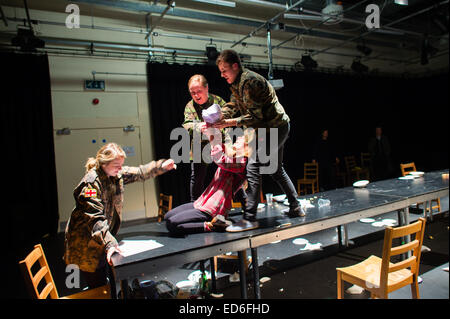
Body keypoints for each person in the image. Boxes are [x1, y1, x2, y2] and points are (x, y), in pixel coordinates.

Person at [213, 49, 303, 232]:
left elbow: (256, 117)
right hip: (270, 127)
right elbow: (234, 105)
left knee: (254, 166)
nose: (222, 75)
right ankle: (296, 207)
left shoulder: (249, 82)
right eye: (220, 71)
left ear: (235, 66)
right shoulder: (237, 83)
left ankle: (250, 218)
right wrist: (219, 116)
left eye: (224, 70)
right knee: (276, 169)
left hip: (274, 127)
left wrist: (228, 123)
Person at [64, 143, 176, 289]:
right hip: (86, 242)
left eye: (121, 165)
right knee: (99, 286)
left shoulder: (115, 174)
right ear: (104, 164)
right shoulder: (90, 184)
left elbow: (140, 172)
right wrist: (110, 243)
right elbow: (94, 218)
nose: (120, 169)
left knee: (109, 279)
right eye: (116, 165)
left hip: (102, 238)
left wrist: (161, 166)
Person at [165, 122, 248, 236]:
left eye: (241, 140)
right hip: (203, 201)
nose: (237, 140)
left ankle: (212, 226)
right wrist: (212, 131)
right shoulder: (232, 155)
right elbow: (221, 146)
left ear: (247, 147)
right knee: (168, 216)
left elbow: (219, 157)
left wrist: (212, 136)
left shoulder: (242, 163)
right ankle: (211, 223)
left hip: (214, 208)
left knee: (172, 223)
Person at [182, 74, 227, 202]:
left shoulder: (218, 101)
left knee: (229, 173)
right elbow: (186, 124)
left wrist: (218, 128)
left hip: (219, 142)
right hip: (199, 145)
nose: (196, 95)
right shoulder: (189, 106)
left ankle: (244, 203)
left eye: (199, 91)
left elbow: (228, 120)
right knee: (197, 178)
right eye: (193, 93)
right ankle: (194, 205)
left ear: (206, 88)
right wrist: (197, 127)